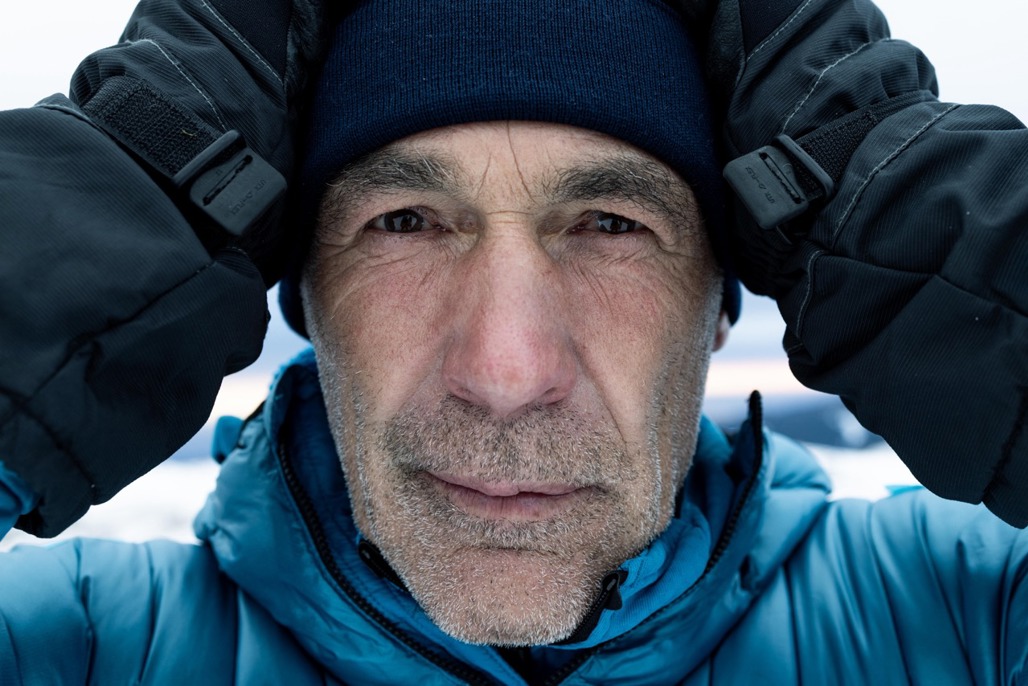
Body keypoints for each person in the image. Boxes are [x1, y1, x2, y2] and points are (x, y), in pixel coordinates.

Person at [0, 0, 1026, 684]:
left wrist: (879, 188)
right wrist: (143, 180)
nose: (505, 372)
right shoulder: (76, 644)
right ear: (305, 295)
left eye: (610, 225)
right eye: (404, 222)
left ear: (721, 302)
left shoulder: (968, 615)